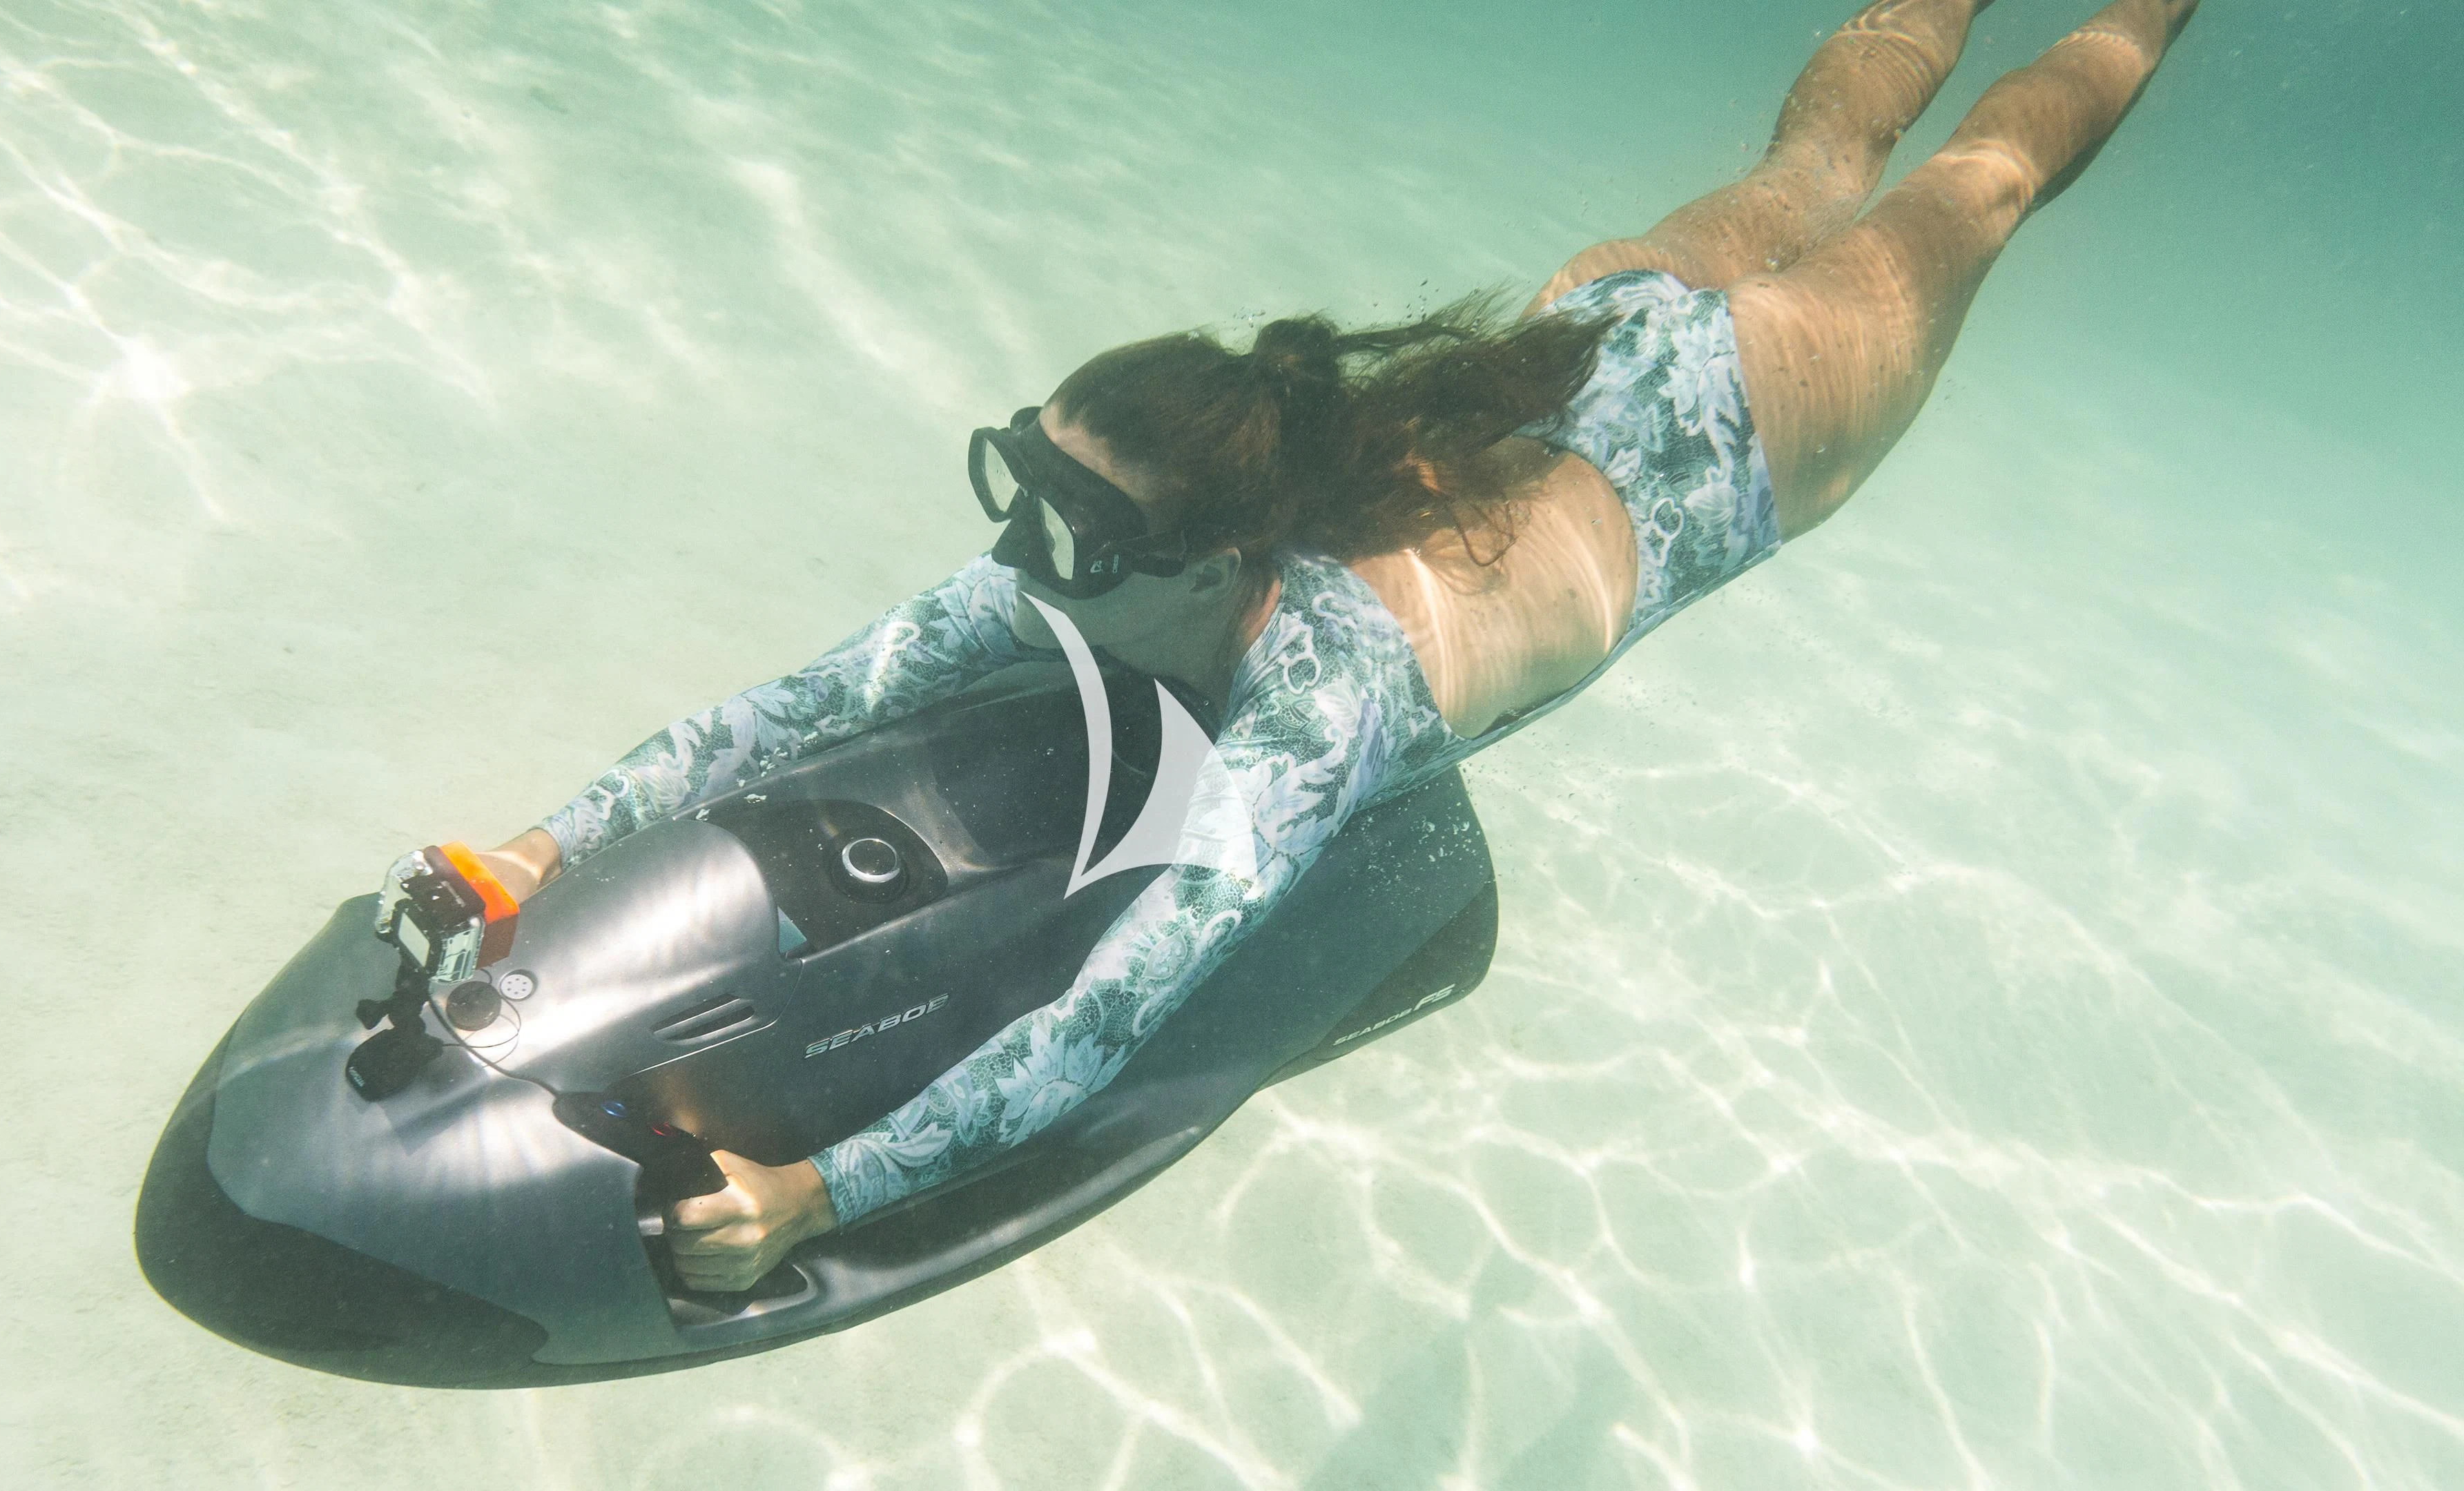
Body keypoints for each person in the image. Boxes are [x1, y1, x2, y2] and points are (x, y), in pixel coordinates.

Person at [446, 0, 2200, 1289]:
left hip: (1740, 425)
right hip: (1589, 336)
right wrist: (549, 838)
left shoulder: (1318, 710)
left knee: (1981, 177)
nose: (1019, 554)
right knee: (1816, 163)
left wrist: (817, 1191)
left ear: (1213, 563)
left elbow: (1105, 1016)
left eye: (1066, 520)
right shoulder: (1098, 559)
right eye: (1020, 480)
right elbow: (806, 702)